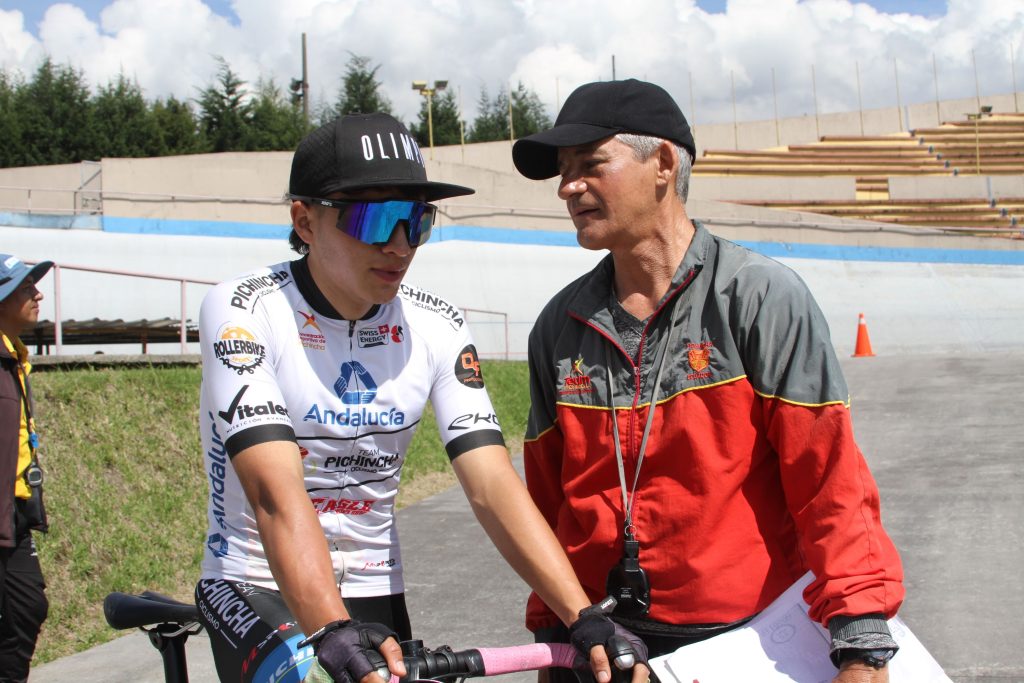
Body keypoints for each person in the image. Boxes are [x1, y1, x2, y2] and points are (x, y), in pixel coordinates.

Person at [195, 113, 647, 683]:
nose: (401, 244)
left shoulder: (437, 324)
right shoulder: (244, 308)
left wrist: (581, 615)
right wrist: (330, 629)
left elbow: (489, 483)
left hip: (373, 579)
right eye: (375, 216)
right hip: (254, 576)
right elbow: (273, 494)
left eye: (416, 219)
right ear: (304, 221)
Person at [511, 79, 905, 682]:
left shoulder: (759, 298)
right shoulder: (557, 327)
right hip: (599, 645)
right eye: (563, 172)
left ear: (663, 163)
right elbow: (547, 502)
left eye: (590, 165)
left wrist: (860, 640)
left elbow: (829, 481)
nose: (568, 188)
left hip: (747, 645)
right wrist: (552, 634)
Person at [0, 254, 52, 683]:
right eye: (24, 287)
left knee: (27, 607)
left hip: (15, 515)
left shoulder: (14, 356)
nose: (37, 293)